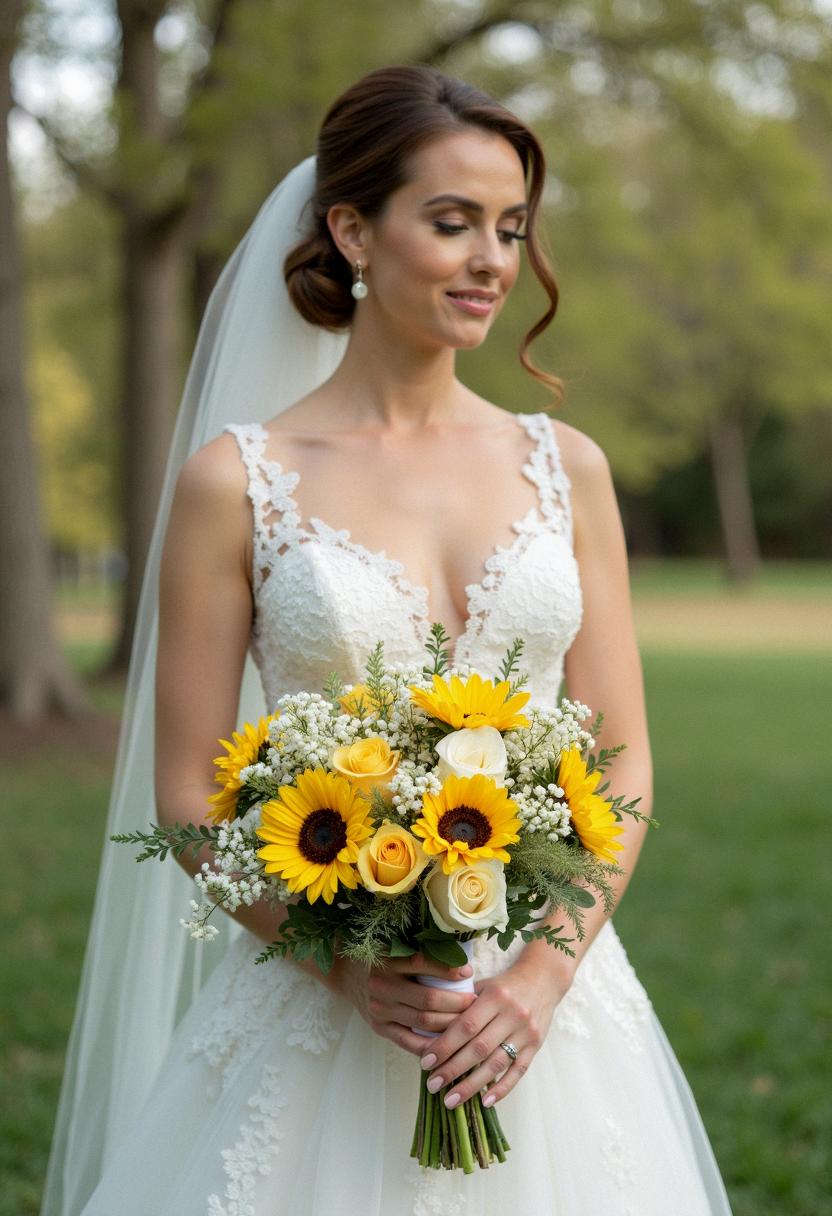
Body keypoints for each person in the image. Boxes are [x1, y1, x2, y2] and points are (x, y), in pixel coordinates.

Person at [42, 65, 734, 1215]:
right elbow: (186, 801)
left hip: (541, 1007)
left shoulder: (570, 470)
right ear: (352, 229)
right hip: (323, 1010)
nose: (491, 262)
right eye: (451, 221)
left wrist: (544, 975)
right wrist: (351, 967)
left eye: (509, 228)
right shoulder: (238, 484)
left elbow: (622, 759)